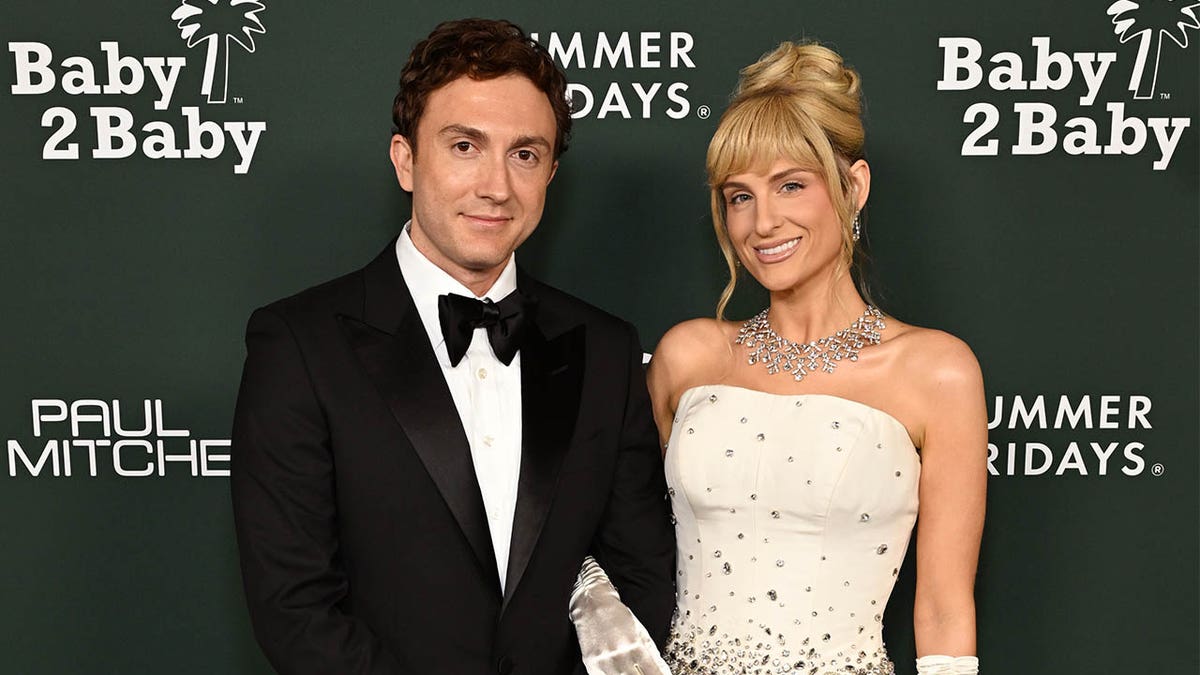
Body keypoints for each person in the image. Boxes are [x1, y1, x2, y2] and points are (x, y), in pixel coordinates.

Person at [230, 18, 675, 675]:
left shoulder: (607, 350)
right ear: (406, 160)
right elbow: (295, 609)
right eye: (465, 146)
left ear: (551, 171)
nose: (497, 184)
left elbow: (642, 578)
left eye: (525, 154)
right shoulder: (299, 344)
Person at [647, 42, 987, 674]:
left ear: (852, 186)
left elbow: (943, 610)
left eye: (791, 186)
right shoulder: (686, 357)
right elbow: (625, 552)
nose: (762, 223)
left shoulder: (936, 371)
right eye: (738, 195)